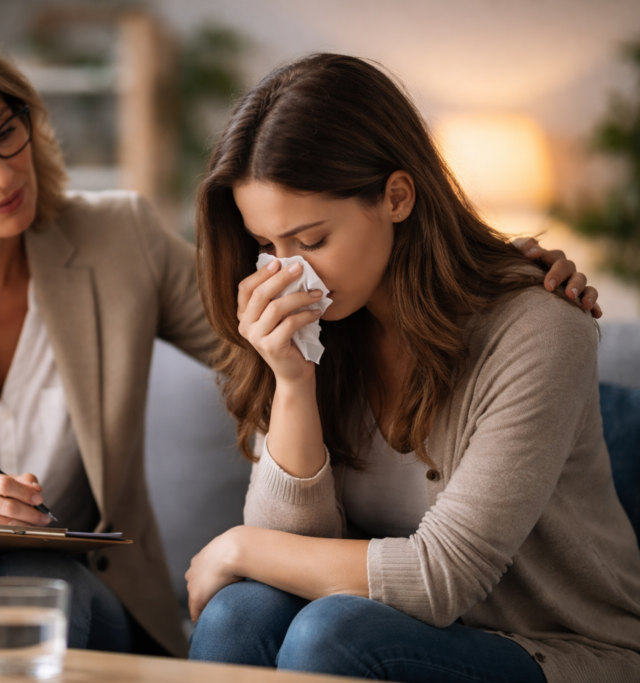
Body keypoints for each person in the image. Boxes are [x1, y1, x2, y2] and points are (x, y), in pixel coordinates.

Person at [0, 23, 601, 659]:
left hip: (79, 577)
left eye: (5, 133)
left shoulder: (117, 240)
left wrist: (487, 264)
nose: (2, 173)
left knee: (52, 582)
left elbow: (263, 328)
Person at [185, 54, 640, 682]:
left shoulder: (539, 328)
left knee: (331, 633)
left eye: (311, 241)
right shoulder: (318, 329)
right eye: (267, 246)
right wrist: (292, 383)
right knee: (242, 614)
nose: (288, 273)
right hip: (389, 632)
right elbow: (286, 560)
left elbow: (441, 578)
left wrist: (238, 545)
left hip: (556, 649)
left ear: (396, 197)